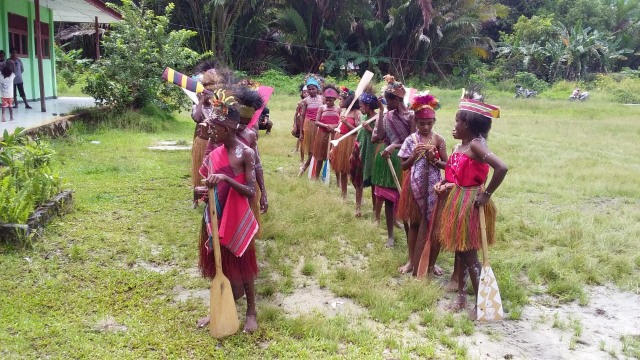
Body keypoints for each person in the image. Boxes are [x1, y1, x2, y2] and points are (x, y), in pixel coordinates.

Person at [433, 95, 508, 319]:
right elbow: (456, 171)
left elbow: (501, 168)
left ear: (468, 124)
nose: (454, 125)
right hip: (458, 200)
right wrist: (445, 182)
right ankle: (462, 298)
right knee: (460, 252)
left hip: (470, 204)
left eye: (457, 121)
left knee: (470, 256)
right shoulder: (463, 145)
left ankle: (480, 305)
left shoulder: (476, 145)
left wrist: (486, 194)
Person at [194, 87, 261, 333]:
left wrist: (225, 178)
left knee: (244, 261)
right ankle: (218, 307)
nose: (209, 131)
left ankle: (252, 311)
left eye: (213, 127)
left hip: (238, 213)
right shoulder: (214, 153)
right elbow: (206, 183)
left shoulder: (246, 153)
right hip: (216, 212)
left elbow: (250, 191)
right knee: (219, 260)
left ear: (227, 128)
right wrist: (199, 192)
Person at [396, 94, 447, 275]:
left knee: (434, 226)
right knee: (415, 224)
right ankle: (411, 260)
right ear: (416, 122)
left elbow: (447, 166)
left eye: (429, 123)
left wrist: (434, 160)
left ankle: (432, 264)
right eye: (422, 123)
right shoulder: (411, 140)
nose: (425, 127)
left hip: (434, 188)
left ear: (434, 121)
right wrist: (414, 156)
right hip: (414, 186)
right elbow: (403, 165)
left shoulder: (439, 140)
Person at [371, 75, 413, 248]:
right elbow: (378, 137)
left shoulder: (411, 116)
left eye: (388, 101)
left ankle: (411, 233)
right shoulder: (387, 115)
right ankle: (390, 236)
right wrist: (381, 112)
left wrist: (395, 145)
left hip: (405, 160)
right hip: (387, 160)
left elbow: (413, 141)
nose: (386, 104)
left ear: (397, 99)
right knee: (388, 199)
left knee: (407, 199)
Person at [351, 88, 379, 218]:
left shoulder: (379, 119)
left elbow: (379, 137)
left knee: (374, 182)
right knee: (358, 181)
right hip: (360, 152)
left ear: (368, 107)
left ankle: (375, 209)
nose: (360, 108)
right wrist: (353, 152)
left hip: (372, 155)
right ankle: (358, 207)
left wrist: (369, 129)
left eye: (361, 106)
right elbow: (358, 137)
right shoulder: (362, 117)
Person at [330, 92, 361, 199]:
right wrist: (333, 147)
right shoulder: (343, 111)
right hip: (340, 141)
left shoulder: (357, 113)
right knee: (342, 169)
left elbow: (358, 131)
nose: (339, 101)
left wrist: (346, 123)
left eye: (341, 99)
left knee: (352, 171)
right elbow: (339, 129)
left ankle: (359, 195)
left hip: (351, 142)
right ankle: (344, 194)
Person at [311, 85, 341, 180]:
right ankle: (316, 177)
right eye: (326, 99)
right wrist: (326, 126)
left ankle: (338, 181)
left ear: (334, 100)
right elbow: (316, 122)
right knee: (320, 157)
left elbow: (340, 123)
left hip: (333, 135)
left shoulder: (338, 109)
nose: (328, 102)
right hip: (322, 134)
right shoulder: (321, 108)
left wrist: (333, 126)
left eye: (330, 100)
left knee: (334, 158)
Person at [298, 75, 324, 176]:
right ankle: (307, 167)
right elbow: (302, 116)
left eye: (313, 89)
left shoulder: (322, 99)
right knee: (311, 149)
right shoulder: (305, 101)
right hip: (309, 125)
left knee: (317, 148)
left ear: (317, 88)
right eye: (309, 89)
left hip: (320, 125)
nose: (311, 91)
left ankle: (306, 167)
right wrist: (301, 132)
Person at [292, 85, 309, 159]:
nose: (306, 94)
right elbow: (296, 114)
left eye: (307, 92)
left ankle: (306, 149)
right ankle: (297, 148)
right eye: (304, 92)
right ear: (302, 93)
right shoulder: (300, 103)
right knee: (300, 135)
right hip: (301, 120)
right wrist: (295, 124)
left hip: (308, 121)